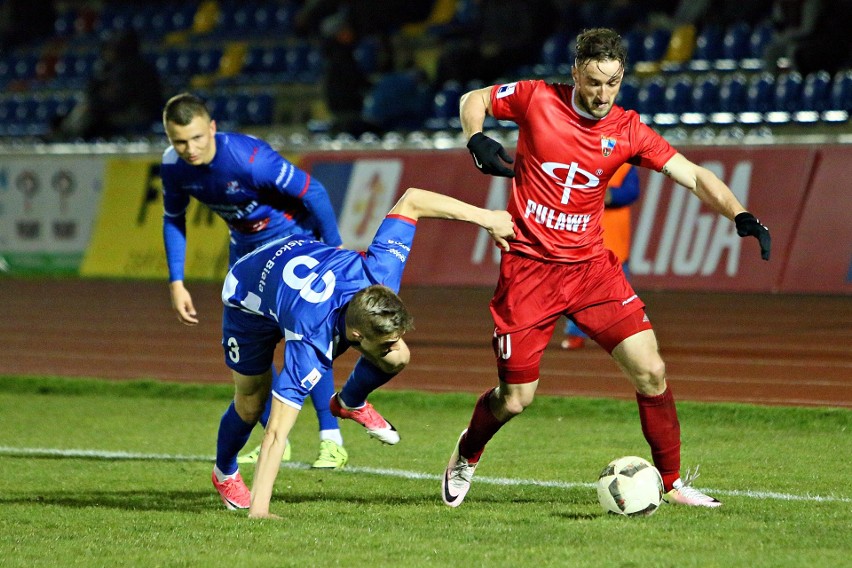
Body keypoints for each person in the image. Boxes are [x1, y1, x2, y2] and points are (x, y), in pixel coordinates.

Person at [440, 27, 771, 509]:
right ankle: (467, 453)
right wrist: (476, 137)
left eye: (612, 83)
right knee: (515, 399)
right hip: (529, 270)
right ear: (576, 73)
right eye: (594, 82)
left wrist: (739, 214)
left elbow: (694, 175)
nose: (602, 94)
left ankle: (673, 482)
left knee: (652, 371)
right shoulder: (536, 99)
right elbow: (475, 98)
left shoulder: (628, 129)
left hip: (592, 271)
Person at [215, 187, 514, 518]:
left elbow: (412, 199)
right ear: (355, 336)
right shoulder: (310, 343)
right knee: (251, 402)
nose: (392, 344)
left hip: (301, 262)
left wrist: (487, 218)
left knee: (399, 357)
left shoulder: (381, 272)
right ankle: (225, 472)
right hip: (248, 295)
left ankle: (350, 401)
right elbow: (276, 433)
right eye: (384, 341)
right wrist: (260, 510)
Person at [160, 92, 350, 483]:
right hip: (246, 254)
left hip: (293, 244)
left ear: (212, 128)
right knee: (252, 347)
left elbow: (312, 191)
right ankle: (273, 435)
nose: (190, 149)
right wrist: (177, 282)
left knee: (306, 338)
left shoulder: (250, 160)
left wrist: (334, 250)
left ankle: (331, 437)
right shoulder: (173, 167)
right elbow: (174, 220)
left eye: (197, 138)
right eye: (180, 142)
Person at [561, 163, 639, 350]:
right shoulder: (577, 157)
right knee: (581, 291)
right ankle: (576, 333)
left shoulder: (625, 164)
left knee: (620, 292)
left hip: (615, 239)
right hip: (585, 237)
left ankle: (627, 334)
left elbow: (632, 191)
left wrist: (610, 195)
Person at [56, 29, 162, 140]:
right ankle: (66, 134)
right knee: (90, 111)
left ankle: (64, 135)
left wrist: (99, 104)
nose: (109, 53)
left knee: (90, 111)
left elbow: (123, 99)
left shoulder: (135, 68)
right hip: (120, 110)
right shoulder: (112, 68)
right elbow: (95, 90)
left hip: (139, 112)